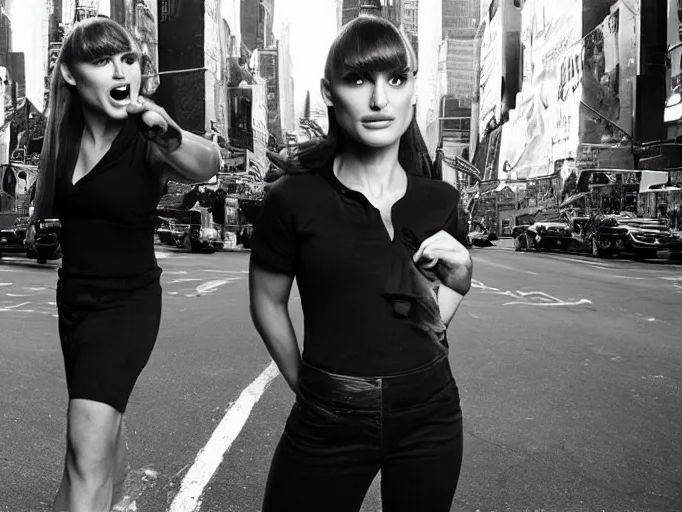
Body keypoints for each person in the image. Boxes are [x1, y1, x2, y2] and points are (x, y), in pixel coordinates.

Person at [247, 16, 472, 512]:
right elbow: (266, 300)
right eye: (358, 80)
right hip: (327, 416)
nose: (379, 100)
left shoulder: (440, 200)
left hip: (430, 412)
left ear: (414, 88)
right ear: (329, 92)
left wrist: (460, 284)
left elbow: (425, 311)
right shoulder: (293, 199)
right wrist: (305, 385)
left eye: (396, 79)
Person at [28, 17, 222, 512]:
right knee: (100, 431)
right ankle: (116, 504)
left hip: (126, 306)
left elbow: (210, 162)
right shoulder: (61, 137)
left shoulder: (148, 136)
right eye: (102, 61)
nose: (120, 71)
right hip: (74, 302)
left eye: (128, 59)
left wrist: (169, 133)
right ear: (71, 75)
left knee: (82, 456)